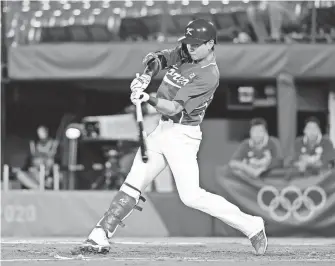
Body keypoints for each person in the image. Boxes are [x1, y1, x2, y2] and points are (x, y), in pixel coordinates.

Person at [72, 19, 267, 256]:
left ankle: (252, 225)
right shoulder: (186, 53)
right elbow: (158, 59)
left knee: (192, 196)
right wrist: (145, 77)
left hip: (183, 135)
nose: (190, 48)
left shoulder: (209, 75)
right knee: (134, 182)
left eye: (196, 44)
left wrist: (148, 99)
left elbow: (174, 108)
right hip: (161, 130)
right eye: (189, 43)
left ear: (210, 44)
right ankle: (100, 234)